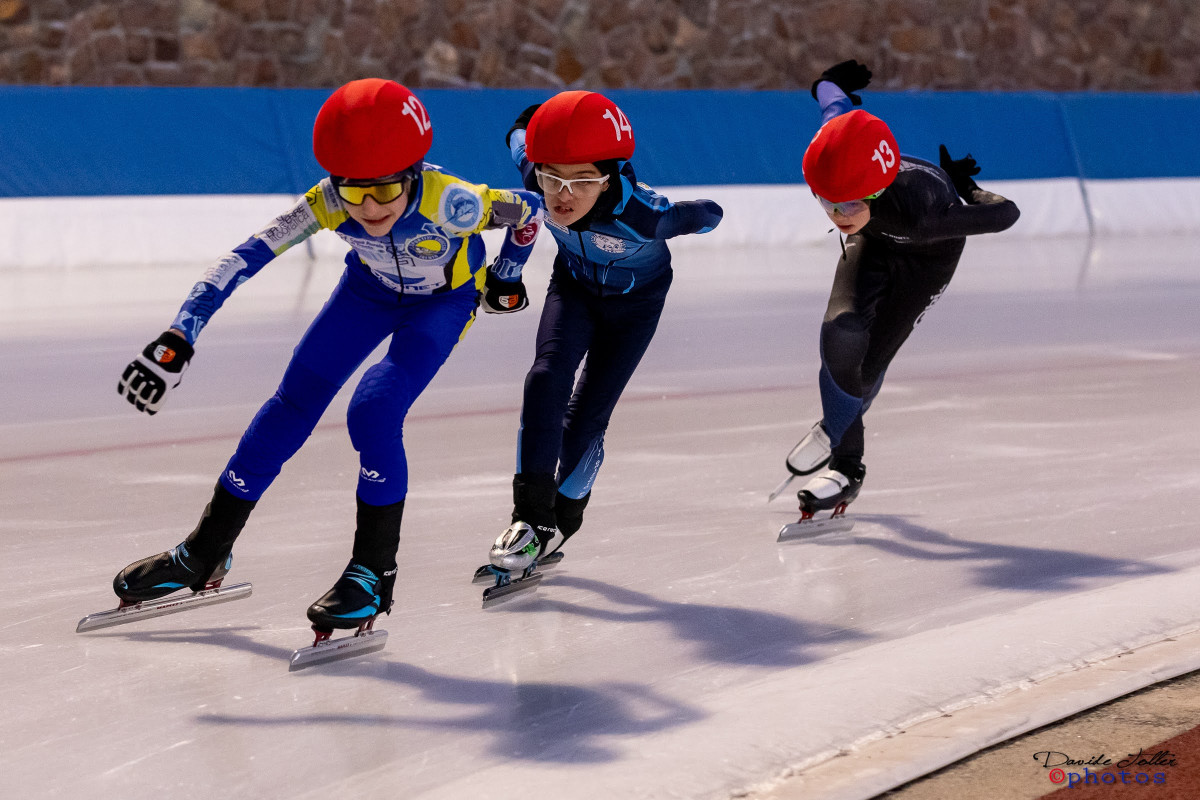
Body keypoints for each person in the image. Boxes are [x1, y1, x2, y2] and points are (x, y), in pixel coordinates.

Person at [111, 79, 540, 637]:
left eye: (385, 191)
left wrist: (506, 276)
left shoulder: (455, 202)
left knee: (375, 410)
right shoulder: (327, 201)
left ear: (414, 174)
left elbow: (529, 211)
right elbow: (240, 259)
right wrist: (179, 334)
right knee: (291, 402)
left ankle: (372, 571)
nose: (369, 209)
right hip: (367, 292)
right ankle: (206, 549)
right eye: (354, 193)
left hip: (442, 303)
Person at [484, 90, 723, 587]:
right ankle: (529, 519)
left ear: (608, 179)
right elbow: (518, 135)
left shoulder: (646, 215)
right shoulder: (534, 176)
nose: (563, 195)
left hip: (635, 307)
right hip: (572, 287)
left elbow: (708, 213)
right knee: (545, 378)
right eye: (553, 178)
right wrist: (539, 120)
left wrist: (700, 216)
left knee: (585, 417)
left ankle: (565, 519)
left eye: (583, 181)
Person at [781, 60, 1020, 515]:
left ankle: (839, 424)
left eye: (849, 203)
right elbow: (834, 106)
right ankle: (846, 463)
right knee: (841, 334)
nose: (838, 216)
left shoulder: (925, 214)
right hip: (873, 241)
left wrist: (967, 187)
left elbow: (1007, 214)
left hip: (927, 260)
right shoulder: (839, 149)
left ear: (874, 191)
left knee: (868, 366)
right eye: (827, 202)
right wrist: (828, 82)